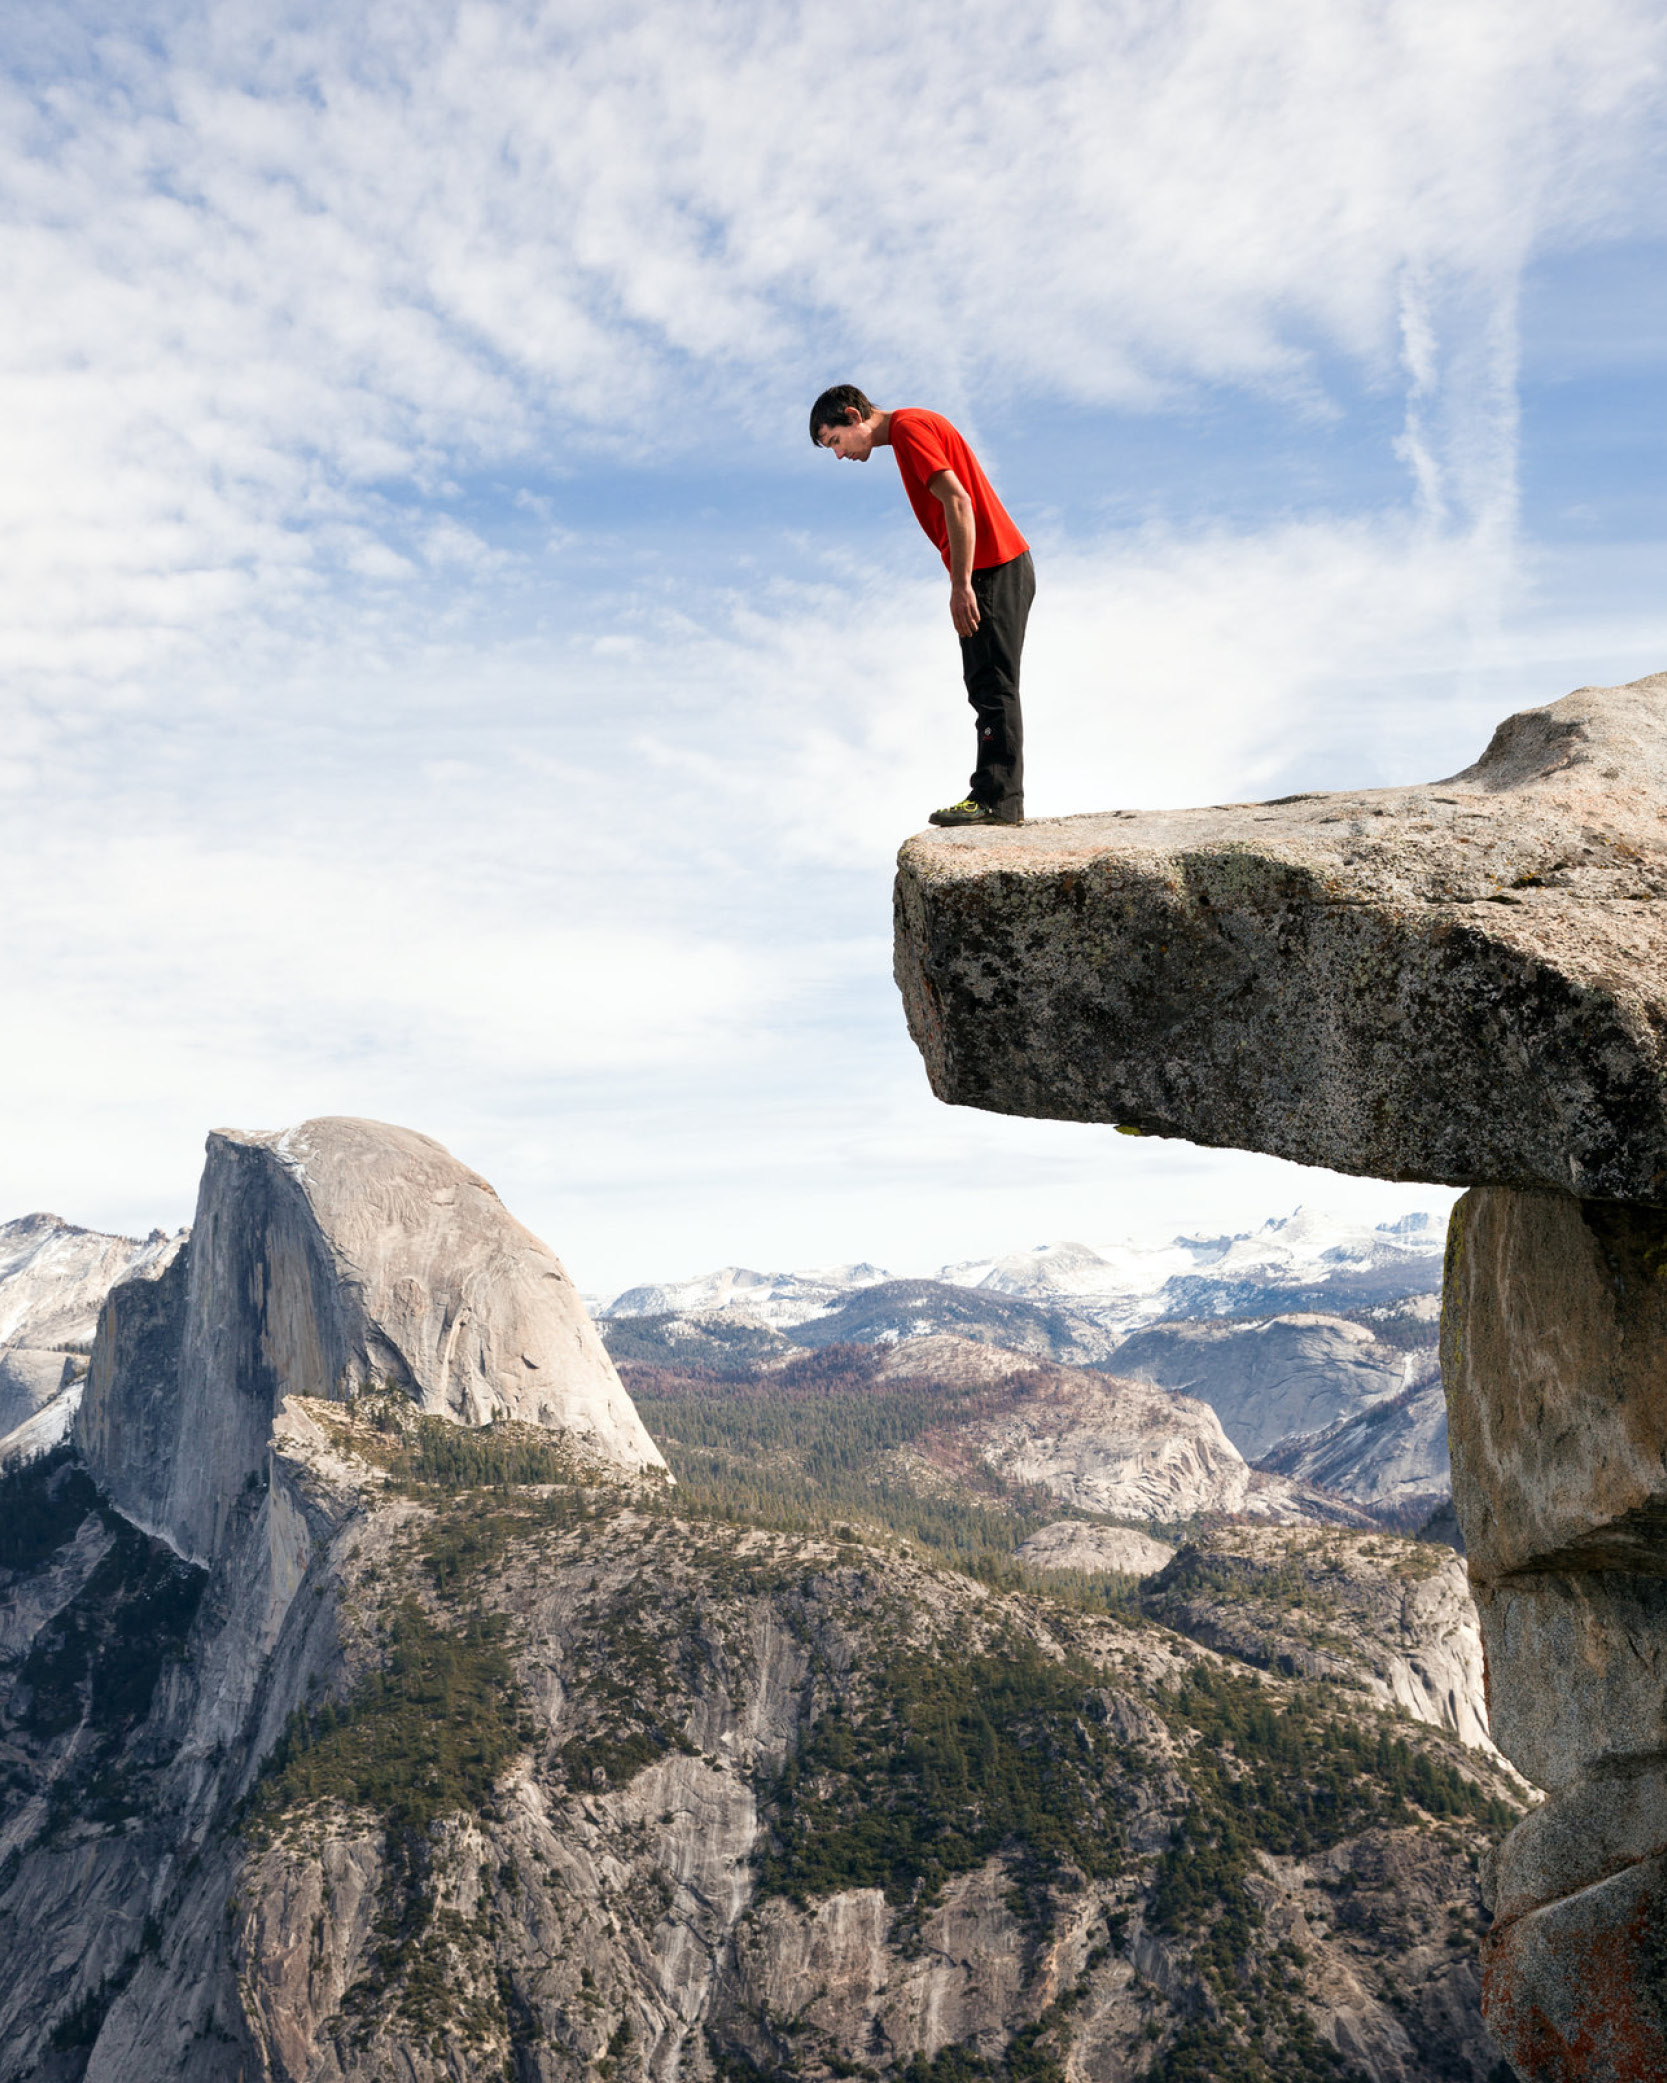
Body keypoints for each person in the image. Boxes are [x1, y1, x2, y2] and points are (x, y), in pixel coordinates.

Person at [810, 385, 1033, 826]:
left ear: (854, 416)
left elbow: (957, 500)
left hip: (992, 566)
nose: (838, 454)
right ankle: (996, 797)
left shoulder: (910, 428)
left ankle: (996, 800)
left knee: (992, 685)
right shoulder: (911, 427)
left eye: (835, 440)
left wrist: (961, 585)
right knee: (986, 683)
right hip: (998, 565)